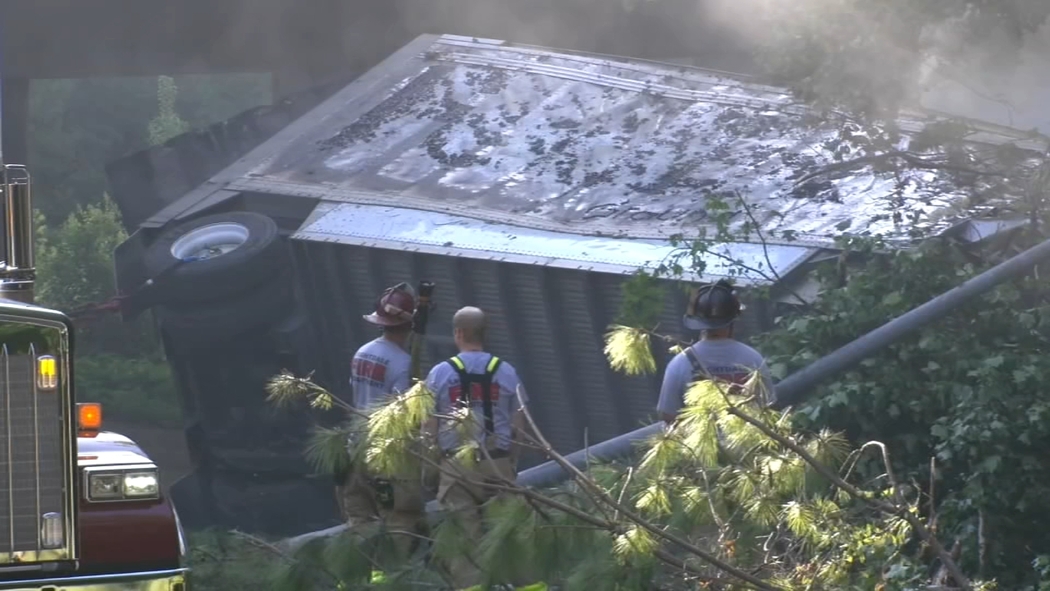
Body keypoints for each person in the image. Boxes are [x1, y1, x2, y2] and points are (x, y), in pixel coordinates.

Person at [423, 306, 528, 588]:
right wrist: (510, 463)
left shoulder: (440, 373)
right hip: (498, 463)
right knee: (511, 538)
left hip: (456, 468)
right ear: (485, 333)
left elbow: (429, 428)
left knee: (463, 548)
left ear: (458, 333)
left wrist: (433, 469)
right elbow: (520, 425)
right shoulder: (506, 371)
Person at [336, 282, 424, 558]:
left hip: (356, 447)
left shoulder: (362, 352)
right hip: (386, 456)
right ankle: (398, 576)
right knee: (400, 517)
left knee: (360, 521)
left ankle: (369, 579)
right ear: (410, 325)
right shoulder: (402, 364)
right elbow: (402, 416)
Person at [656, 279, 775, 425]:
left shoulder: (680, 363)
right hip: (748, 445)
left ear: (697, 321)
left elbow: (668, 415)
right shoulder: (753, 358)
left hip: (698, 447)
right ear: (734, 319)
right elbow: (768, 407)